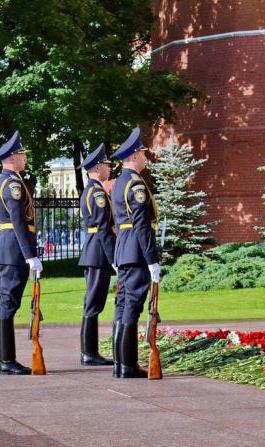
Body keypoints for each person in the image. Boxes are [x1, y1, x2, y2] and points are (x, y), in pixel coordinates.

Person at [0, 131, 43, 375]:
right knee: (8, 305)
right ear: (12, 157)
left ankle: (4, 360)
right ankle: (6, 361)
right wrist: (30, 254)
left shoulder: (6, 181)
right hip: (13, 250)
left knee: (6, 303)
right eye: (22, 154)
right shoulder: (12, 183)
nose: (25, 158)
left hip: (9, 248)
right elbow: (19, 221)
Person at [110, 127, 160, 378]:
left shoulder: (120, 182)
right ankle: (128, 365)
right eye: (142, 153)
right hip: (136, 252)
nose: (144, 156)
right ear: (132, 156)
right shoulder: (135, 184)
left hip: (124, 250)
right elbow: (141, 225)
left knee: (123, 305)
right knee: (132, 306)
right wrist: (152, 259)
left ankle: (121, 364)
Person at [77, 143, 117, 366]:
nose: (109, 168)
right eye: (106, 164)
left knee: (93, 302)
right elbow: (103, 228)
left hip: (95, 252)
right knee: (93, 303)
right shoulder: (97, 192)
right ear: (97, 167)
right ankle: (89, 353)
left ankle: (89, 352)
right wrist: (114, 260)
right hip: (98, 253)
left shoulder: (92, 190)